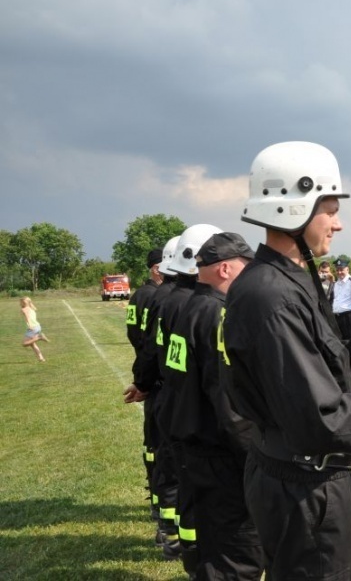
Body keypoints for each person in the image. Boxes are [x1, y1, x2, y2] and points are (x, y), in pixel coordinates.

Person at [222, 141, 351, 580]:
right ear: (293, 210)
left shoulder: (288, 280)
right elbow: (321, 419)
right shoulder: (271, 295)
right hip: (303, 487)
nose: (339, 223)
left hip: (301, 477)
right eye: (330, 210)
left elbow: (319, 366)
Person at [166, 232, 265, 580]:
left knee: (213, 551)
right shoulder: (218, 315)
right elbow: (231, 405)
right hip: (221, 457)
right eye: (246, 268)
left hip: (194, 449)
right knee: (239, 558)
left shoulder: (187, 307)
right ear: (225, 269)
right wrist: (256, 463)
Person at [159, 223, 222, 576]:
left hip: (175, 404)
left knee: (186, 488)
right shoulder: (204, 307)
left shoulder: (169, 302)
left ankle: (190, 552)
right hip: (201, 418)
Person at [125, 234, 182, 555]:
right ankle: (170, 525)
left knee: (157, 448)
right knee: (169, 455)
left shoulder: (145, 296)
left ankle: (163, 511)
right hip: (167, 384)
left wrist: (144, 379)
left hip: (156, 381)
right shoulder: (164, 298)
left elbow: (138, 337)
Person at [125, 247, 163, 524]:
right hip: (159, 377)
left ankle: (158, 497)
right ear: (155, 268)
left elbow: (133, 333)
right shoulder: (157, 297)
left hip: (148, 369)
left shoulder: (138, 295)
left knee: (152, 442)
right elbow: (151, 340)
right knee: (161, 444)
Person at [20, 297, 49, 362]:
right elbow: (32, 313)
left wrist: (29, 325)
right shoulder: (31, 308)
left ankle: (39, 337)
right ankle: (41, 358)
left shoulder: (24, 309)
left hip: (32, 328)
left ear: (23, 302)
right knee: (32, 343)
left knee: (24, 344)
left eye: (20, 302)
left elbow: (27, 317)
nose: (19, 303)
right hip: (37, 326)